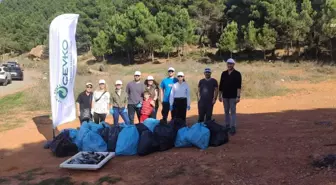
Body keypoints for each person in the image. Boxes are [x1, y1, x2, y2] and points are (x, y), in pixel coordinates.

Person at [218, 58, 242, 135]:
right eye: (228, 63)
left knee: (233, 112)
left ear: (233, 64)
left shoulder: (237, 74)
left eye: (231, 64)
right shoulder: (224, 73)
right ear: (227, 64)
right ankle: (227, 125)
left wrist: (238, 96)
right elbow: (221, 86)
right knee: (226, 111)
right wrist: (219, 95)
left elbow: (239, 86)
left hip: (233, 96)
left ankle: (233, 127)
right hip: (225, 96)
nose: (229, 65)